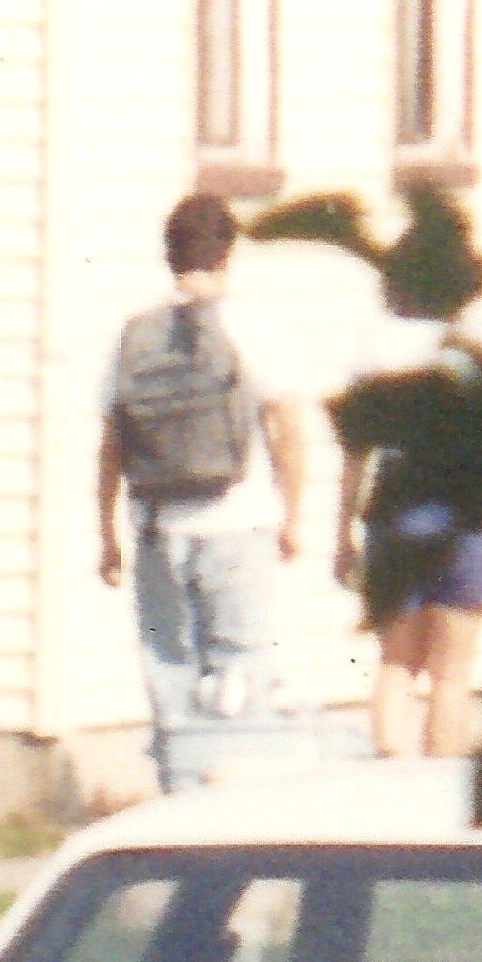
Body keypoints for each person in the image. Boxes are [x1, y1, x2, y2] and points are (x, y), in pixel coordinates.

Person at [97, 194, 307, 781]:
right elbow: (287, 426)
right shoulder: (253, 326)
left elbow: (112, 440)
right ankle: (234, 814)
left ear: (169, 255)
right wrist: (294, 514)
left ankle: (180, 801)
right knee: (240, 671)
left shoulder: (136, 334)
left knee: (171, 674)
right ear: (228, 254)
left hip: (159, 528)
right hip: (240, 522)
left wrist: (106, 536)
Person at [342, 331, 482, 760]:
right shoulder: (478, 355)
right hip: (465, 511)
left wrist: (342, 528)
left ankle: (390, 768)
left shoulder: (377, 352)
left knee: (396, 660)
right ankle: (440, 778)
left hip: (396, 509)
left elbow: (356, 452)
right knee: (452, 672)